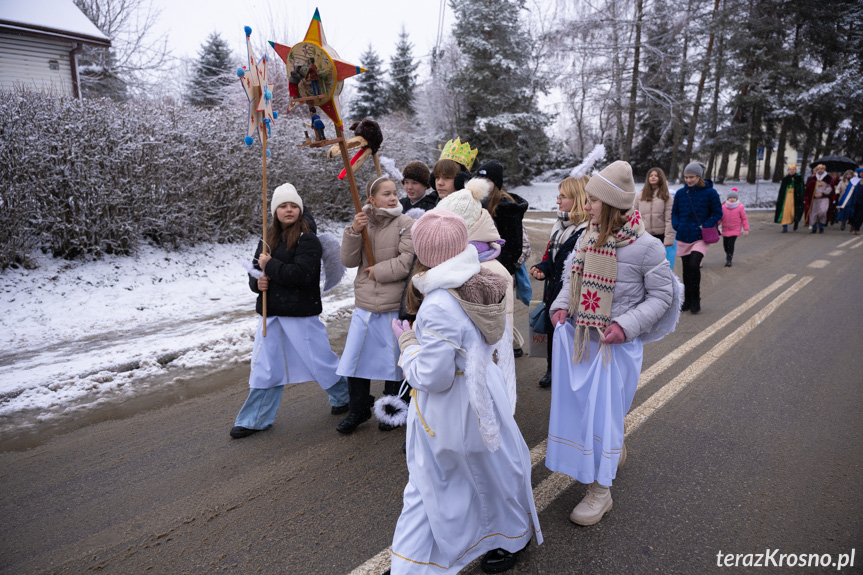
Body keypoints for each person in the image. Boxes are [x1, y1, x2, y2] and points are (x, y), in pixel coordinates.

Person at [387, 210, 542, 575]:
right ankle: (507, 535)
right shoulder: (478, 279)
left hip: (452, 402)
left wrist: (407, 344)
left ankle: (413, 563)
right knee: (489, 469)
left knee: (432, 480)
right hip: (480, 391)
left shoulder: (439, 303)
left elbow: (434, 375)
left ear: (424, 252)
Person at [547, 160, 677, 526]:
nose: (585, 207)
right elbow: (570, 279)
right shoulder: (587, 236)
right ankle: (605, 456)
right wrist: (559, 307)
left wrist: (625, 324)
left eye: (593, 201)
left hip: (615, 348)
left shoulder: (646, 247)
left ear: (613, 205)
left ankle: (600, 493)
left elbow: (662, 296)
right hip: (582, 343)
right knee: (585, 415)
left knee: (603, 418)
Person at [230, 184, 350, 439]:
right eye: (283, 206)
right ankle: (256, 418)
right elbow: (256, 272)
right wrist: (257, 282)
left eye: (293, 206)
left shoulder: (308, 238)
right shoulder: (267, 238)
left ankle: (346, 396)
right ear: (275, 211)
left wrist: (269, 265)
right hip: (270, 314)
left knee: (319, 361)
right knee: (265, 365)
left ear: (300, 209)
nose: (288, 210)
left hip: (300, 314)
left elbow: (302, 274)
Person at [337, 176, 415, 434]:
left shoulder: (406, 224)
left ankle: (391, 408)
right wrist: (353, 232)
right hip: (365, 305)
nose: (393, 198)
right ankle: (358, 409)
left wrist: (378, 271)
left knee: (392, 360)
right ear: (371, 199)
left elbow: (406, 263)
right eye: (386, 194)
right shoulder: (363, 222)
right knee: (356, 360)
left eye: (394, 193)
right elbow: (348, 261)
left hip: (393, 303)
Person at [436, 177, 516, 402]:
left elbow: (501, 336)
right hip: (460, 377)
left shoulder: (490, 270)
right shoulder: (458, 262)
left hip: (481, 379)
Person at [530, 175, 590, 388]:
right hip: (553, 290)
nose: (558, 201)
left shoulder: (586, 230)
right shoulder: (560, 226)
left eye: (563, 197)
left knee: (569, 334)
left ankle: (567, 371)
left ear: (578, 198)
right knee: (552, 332)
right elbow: (551, 258)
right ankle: (552, 369)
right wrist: (542, 268)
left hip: (573, 296)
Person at [476, 160, 530, 358]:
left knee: (501, 316)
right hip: (481, 270)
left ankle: (506, 350)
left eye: (487, 179)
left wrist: (495, 265)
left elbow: (514, 247)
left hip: (502, 271)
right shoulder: (477, 203)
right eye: (479, 178)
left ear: (496, 182)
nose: (482, 182)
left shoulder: (508, 209)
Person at [671, 161, 722, 314]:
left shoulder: (710, 193)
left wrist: (706, 225)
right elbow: (675, 213)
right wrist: (677, 225)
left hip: (700, 236)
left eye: (691, 177)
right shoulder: (681, 193)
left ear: (699, 177)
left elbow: (717, 213)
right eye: (686, 177)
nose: (688, 180)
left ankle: (696, 299)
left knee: (694, 265)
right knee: (686, 269)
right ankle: (687, 300)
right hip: (684, 235)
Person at [719, 188, 749, 267]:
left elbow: (744, 218)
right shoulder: (723, 207)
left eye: (734, 198)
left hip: (735, 230)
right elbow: (720, 218)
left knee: (731, 244)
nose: (732, 199)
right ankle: (728, 254)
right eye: (730, 198)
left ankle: (729, 259)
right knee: (725, 245)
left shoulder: (740, 207)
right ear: (727, 199)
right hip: (725, 229)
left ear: (736, 199)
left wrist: (746, 229)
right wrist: (715, 226)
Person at [774, 164, 805, 232]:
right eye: (790, 169)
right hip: (786, 198)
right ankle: (785, 227)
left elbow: (801, 188)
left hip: (795, 198)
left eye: (793, 169)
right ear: (788, 170)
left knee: (793, 212)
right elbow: (782, 189)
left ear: (795, 170)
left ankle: (795, 222)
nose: (791, 171)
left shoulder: (799, 178)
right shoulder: (785, 179)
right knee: (785, 212)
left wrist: (800, 196)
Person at [804, 164, 833, 234]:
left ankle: (821, 226)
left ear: (824, 169)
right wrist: (813, 194)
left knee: (822, 211)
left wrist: (823, 193)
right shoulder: (812, 178)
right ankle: (814, 228)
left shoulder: (828, 178)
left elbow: (830, 188)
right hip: (814, 199)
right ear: (816, 170)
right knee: (814, 213)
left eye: (822, 169)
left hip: (824, 198)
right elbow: (808, 188)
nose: (820, 170)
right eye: (818, 169)